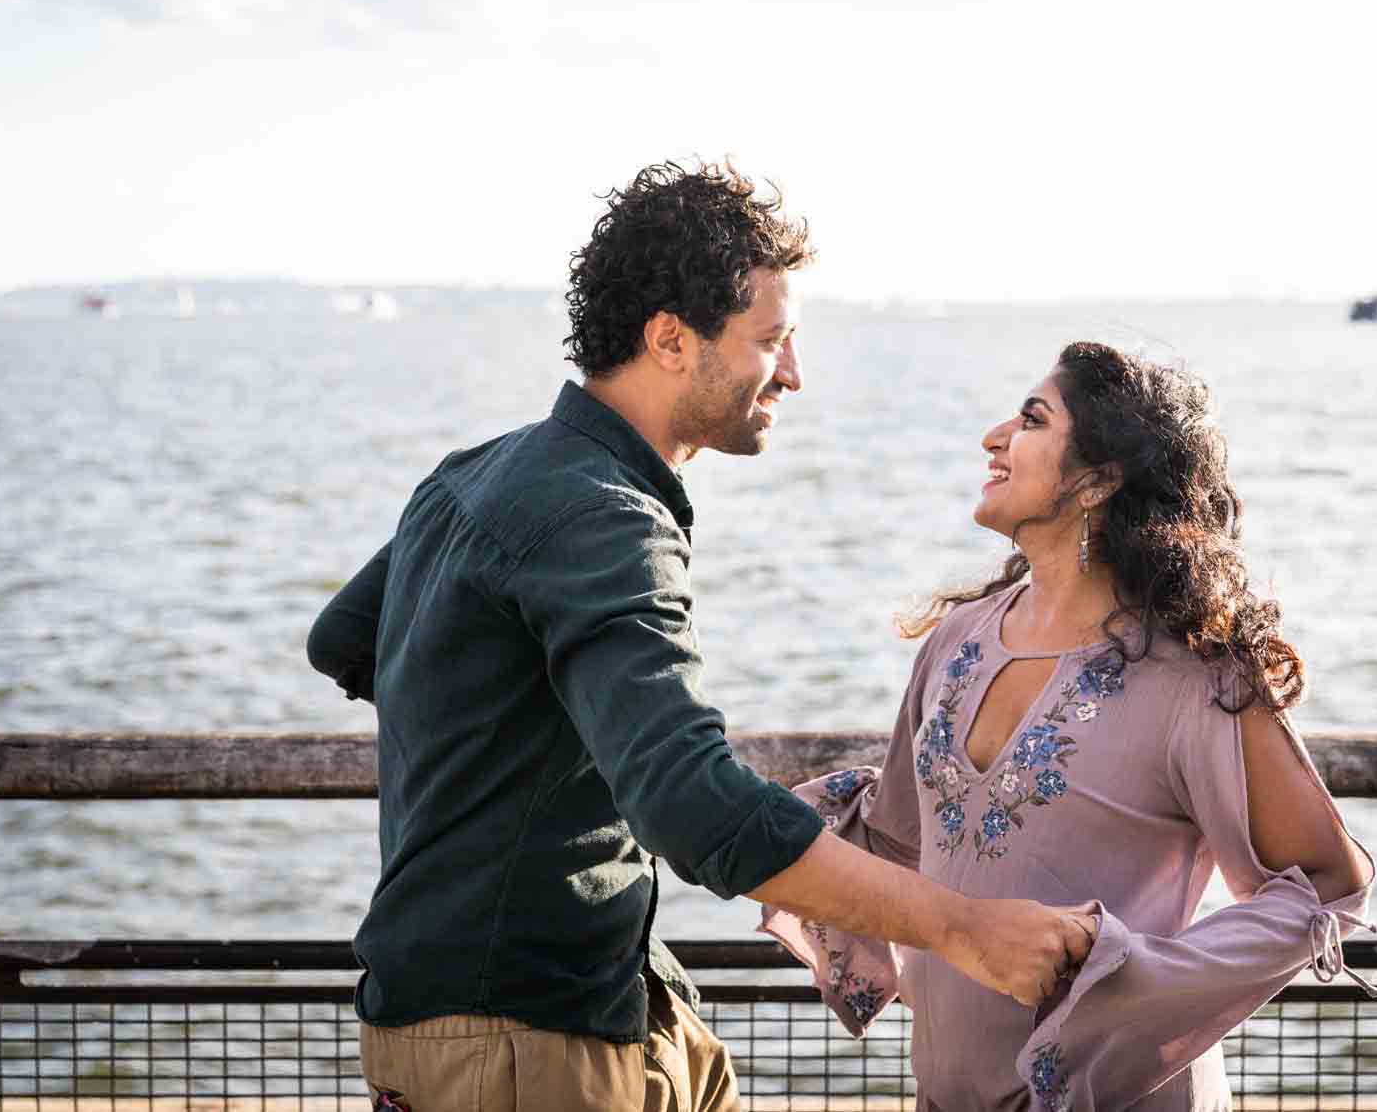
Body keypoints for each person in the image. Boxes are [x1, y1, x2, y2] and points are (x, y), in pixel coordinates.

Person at [307, 162, 1094, 1112]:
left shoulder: (474, 474)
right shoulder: (605, 516)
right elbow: (691, 802)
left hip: (526, 1002)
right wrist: (966, 930)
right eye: (772, 340)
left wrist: (507, 729)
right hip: (520, 1039)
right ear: (672, 339)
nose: (794, 373)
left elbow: (344, 640)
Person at [762, 341, 1377, 1111]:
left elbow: (1329, 884)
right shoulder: (957, 641)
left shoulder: (1194, 680)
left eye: (1030, 419)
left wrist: (1134, 970)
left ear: (1096, 480)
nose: (994, 436)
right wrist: (717, 801)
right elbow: (892, 841)